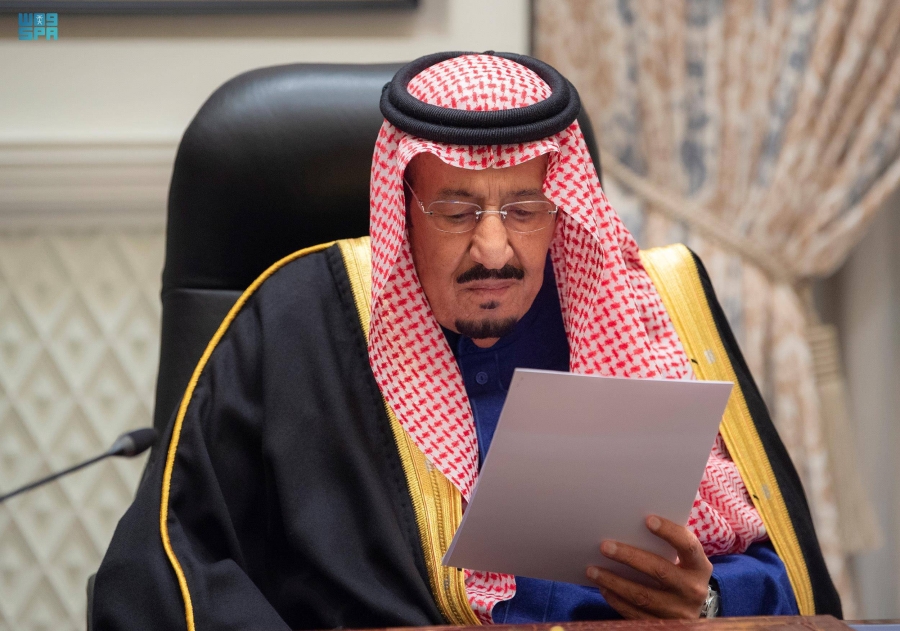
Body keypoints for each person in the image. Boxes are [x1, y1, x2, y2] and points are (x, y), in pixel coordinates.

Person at [93, 52, 841, 630]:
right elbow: (167, 567)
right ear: (402, 206)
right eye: (455, 212)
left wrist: (704, 599)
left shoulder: (646, 314)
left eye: (525, 209)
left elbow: (789, 581)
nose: (493, 249)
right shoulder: (295, 326)